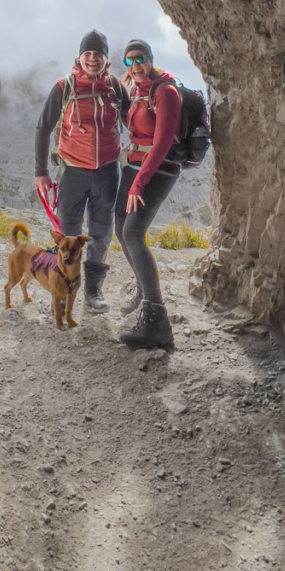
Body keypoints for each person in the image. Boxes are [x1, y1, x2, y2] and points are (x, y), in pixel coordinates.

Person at [35, 30, 129, 312]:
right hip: (73, 172)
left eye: (98, 54)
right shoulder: (64, 87)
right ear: (80, 56)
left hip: (107, 171)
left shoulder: (114, 87)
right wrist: (41, 171)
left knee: (101, 232)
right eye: (88, 53)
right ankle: (62, 286)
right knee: (67, 233)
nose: (92, 58)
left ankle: (92, 289)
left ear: (105, 58)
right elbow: (43, 127)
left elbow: (133, 122)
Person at [115, 39, 182, 349]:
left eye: (140, 59)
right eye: (129, 61)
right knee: (120, 225)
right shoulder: (136, 89)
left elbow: (163, 142)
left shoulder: (165, 92)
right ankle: (144, 293)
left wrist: (139, 183)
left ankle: (157, 322)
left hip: (159, 169)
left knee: (133, 233)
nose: (135, 65)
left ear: (151, 58)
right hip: (134, 165)